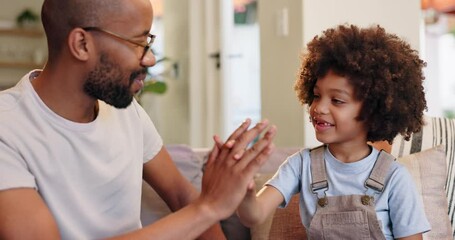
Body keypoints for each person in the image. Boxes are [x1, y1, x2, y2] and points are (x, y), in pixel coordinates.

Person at [0, 0, 277, 239]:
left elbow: (182, 196)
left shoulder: (125, 110)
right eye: (139, 43)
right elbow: (198, 207)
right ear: (82, 44)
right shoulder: (8, 128)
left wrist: (207, 203)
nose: (151, 59)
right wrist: (207, 207)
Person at [236, 24, 431, 239]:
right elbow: (253, 215)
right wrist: (242, 191)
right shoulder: (301, 165)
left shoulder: (394, 177)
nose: (319, 108)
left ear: (373, 111)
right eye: (317, 96)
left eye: (337, 100)